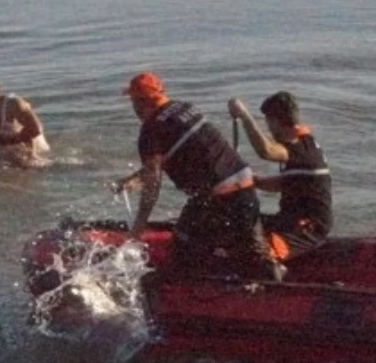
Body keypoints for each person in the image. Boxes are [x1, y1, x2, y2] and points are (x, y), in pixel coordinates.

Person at [113, 72, 283, 282]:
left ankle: (195, 290)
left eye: (133, 101)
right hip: (245, 187)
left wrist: (139, 227)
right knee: (254, 250)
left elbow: (153, 182)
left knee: (183, 243)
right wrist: (135, 179)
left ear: (140, 102)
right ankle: (271, 278)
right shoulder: (186, 108)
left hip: (219, 198)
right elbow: (186, 154)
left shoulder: (150, 130)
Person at [228, 91, 332, 260]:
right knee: (237, 224)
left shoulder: (300, 149)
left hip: (307, 228)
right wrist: (252, 180)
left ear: (276, 121)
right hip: (287, 219)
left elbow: (266, 151)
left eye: (269, 123)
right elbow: (288, 183)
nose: (269, 128)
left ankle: (269, 275)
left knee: (256, 252)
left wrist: (244, 116)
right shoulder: (305, 143)